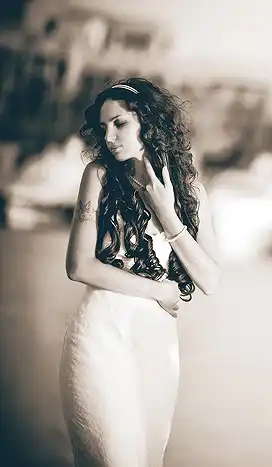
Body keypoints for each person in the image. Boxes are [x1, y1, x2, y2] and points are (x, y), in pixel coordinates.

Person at [60, 78, 220, 467]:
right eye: (103, 127)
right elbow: (79, 266)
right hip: (101, 336)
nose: (109, 137)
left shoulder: (192, 193)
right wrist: (157, 290)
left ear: (148, 122)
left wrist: (167, 214)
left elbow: (210, 280)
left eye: (120, 124)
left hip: (157, 346)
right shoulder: (98, 176)